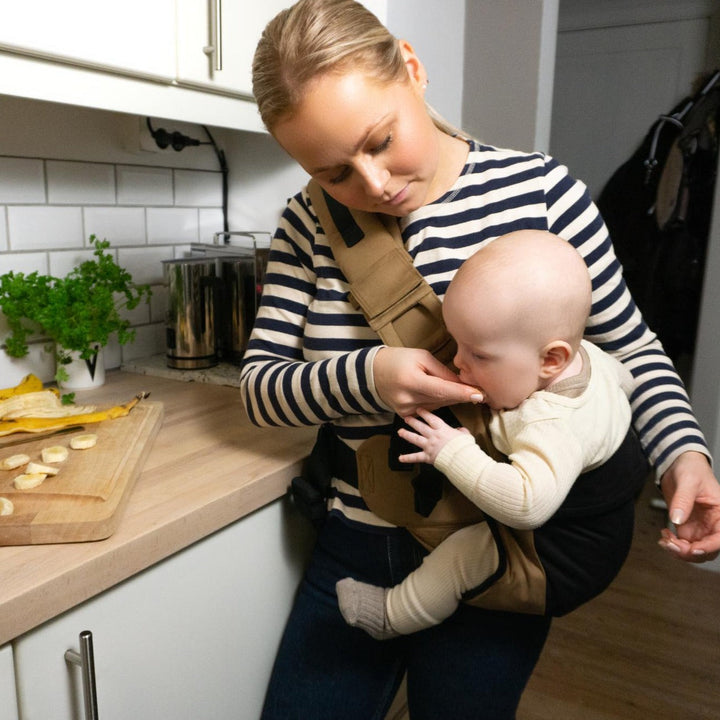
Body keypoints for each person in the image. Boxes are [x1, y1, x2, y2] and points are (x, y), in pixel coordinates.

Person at [241, 1, 720, 717]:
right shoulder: (308, 225)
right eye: (334, 171)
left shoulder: (543, 194)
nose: (373, 185)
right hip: (358, 538)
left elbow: (629, 348)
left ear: (411, 66)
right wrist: (371, 376)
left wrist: (685, 454)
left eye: (381, 141)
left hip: (497, 551)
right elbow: (259, 390)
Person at [335, 229, 647, 640]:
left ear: (551, 360)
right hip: (599, 535)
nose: (459, 362)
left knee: (463, 554)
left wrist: (452, 451)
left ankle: (392, 614)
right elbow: (624, 383)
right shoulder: (593, 360)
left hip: (558, 563)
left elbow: (525, 505)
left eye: (478, 354)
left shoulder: (552, 424)